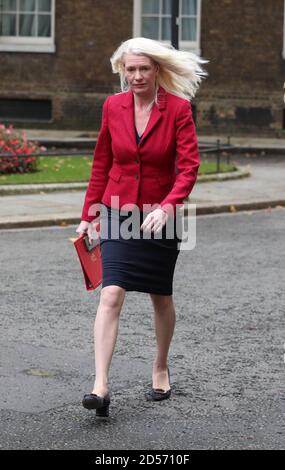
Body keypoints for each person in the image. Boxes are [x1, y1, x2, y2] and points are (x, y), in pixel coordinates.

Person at [76, 37, 208, 417]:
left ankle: (160, 365)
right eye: (130, 69)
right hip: (118, 209)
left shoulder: (179, 109)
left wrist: (168, 208)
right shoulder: (112, 107)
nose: (136, 76)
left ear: (157, 71)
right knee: (111, 293)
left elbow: (189, 167)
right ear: (123, 71)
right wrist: (89, 213)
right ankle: (100, 385)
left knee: (159, 296)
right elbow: (102, 161)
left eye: (143, 69)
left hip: (159, 215)